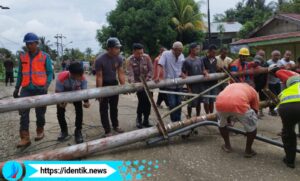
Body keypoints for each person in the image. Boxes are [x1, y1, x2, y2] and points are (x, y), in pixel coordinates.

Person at [13, 33, 53, 148]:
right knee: (23, 113)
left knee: (40, 113)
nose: (28, 46)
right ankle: (25, 138)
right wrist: (17, 88)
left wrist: (46, 85)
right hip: (26, 89)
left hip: (40, 89)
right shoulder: (23, 57)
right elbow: (20, 73)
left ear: (36, 43)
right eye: (27, 43)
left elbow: (50, 72)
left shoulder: (45, 56)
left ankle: (40, 130)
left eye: (31, 43)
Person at [216, 83, 259, 158]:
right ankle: (248, 151)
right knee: (252, 128)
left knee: (221, 125)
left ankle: (227, 146)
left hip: (220, 102)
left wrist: (229, 120)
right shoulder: (253, 91)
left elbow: (228, 102)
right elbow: (255, 110)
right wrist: (248, 126)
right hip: (239, 103)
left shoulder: (231, 85)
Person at [95, 37, 125, 137]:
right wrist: (99, 92)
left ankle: (115, 125)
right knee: (103, 109)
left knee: (114, 107)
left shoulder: (119, 58)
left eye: (119, 48)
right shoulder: (100, 60)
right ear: (110, 48)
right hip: (103, 84)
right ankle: (107, 130)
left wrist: (123, 87)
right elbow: (99, 77)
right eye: (117, 48)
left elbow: (120, 73)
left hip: (113, 83)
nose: (119, 50)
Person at [55, 62, 90, 144]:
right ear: (72, 74)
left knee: (79, 111)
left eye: (81, 75)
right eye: (79, 76)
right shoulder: (61, 78)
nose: (81, 77)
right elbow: (58, 94)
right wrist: (62, 102)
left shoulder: (82, 78)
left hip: (76, 93)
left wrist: (86, 102)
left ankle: (78, 131)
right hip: (63, 94)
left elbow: (84, 92)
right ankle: (64, 131)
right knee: (60, 111)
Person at [155, 41, 185, 122]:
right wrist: (157, 76)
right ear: (173, 49)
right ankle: (174, 122)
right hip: (169, 84)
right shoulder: (166, 54)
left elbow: (181, 68)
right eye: (178, 50)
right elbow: (160, 65)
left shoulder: (182, 55)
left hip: (179, 84)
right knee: (172, 104)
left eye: (181, 50)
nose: (180, 52)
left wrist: (183, 74)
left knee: (179, 103)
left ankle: (178, 121)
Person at [275, 71, 300, 168]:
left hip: (288, 109)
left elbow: (278, 106)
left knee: (288, 133)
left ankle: (290, 161)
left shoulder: (285, 91)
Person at [127, 43, 153, 129]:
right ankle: (139, 119)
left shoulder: (147, 57)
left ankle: (145, 119)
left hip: (148, 83)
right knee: (143, 100)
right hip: (138, 85)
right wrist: (134, 83)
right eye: (138, 53)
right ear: (133, 52)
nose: (140, 55)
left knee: (148, 102)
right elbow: (130, 74)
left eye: (142, 52)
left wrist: (148, 78)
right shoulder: (130, 60)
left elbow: (151, 70)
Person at [182, 43, 208, 118]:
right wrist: (188, 88)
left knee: (199, 102)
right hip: (192, 86)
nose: (198, 50)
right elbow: (185, 75)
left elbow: (203, 69)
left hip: (200, 85)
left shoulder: (200, 59)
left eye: (198, 49)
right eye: (196, 49)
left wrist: (205, 73)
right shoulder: (186, 61)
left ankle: (198, 116)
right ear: (191, 49)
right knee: (190, 103)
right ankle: (189, 116)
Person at [202, 45, 218, 114]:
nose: (214, 54)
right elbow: (201, 69)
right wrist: (204, 71)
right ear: (209, 52)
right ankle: (207, 114)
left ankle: (211, 114)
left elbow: (215, 69)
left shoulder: (215, 60)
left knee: (212, 100)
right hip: (206, 83)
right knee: (206, 100)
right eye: (213, 52)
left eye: (215, 53)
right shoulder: (203, 59)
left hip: (214, 83)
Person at [267, 50, 282, 116]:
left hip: (278, 82)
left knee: (279, 96)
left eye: (278, 55)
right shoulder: (268, 62)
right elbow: (267, 72)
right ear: (272, 56)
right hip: (270, 83)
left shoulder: (280, 62)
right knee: (273, 97)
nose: (277, 57)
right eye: (275, 55)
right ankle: (271, 110)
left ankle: (277, 109)